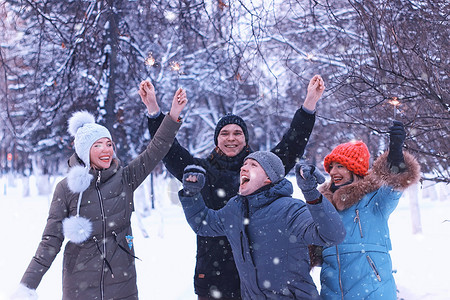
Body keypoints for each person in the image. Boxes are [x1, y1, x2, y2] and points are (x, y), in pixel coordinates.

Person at [140, 75, 325, 299]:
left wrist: (309, 105)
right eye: (224, 133)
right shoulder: (202, 172)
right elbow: (169, 151)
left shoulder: (263, 170)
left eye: (237, 133)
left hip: (260, 279)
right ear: (216, 139)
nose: (231, 138)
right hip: (214, 277)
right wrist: (154, 111)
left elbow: (292, 145)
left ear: (245, 139)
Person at [12, 83, 187, 300]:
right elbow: (50, 241)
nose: (106, 150)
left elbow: (158, 147)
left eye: (109, 144)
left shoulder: (125, 178)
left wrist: (171, 115)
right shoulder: (66, 189)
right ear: (85, 151)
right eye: (98, 145)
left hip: (122, 281)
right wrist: (27, 286)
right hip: (80, 284)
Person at [179, 151, 346, 299]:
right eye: (244, 164)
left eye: (253, 165)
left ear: (269, 177)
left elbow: (333, 235)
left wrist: (311, 194)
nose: (244, 168)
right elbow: (203, 224)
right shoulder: (235, 210)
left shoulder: (290, 209)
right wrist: (191, 194)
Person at [316, 121, 421, 299]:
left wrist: (395, 157)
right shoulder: (323, 207)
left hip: (373, 294)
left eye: (340, 166)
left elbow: (395, 184)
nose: (333, 171)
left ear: (354, 170)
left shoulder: (375, 200)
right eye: (331, 166)